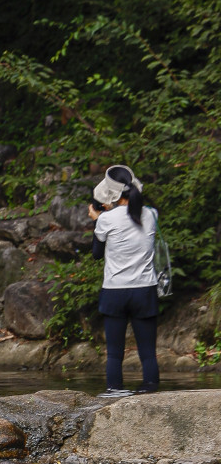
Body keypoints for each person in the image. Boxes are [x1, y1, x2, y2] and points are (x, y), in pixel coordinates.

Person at [89, 164, 161, 397]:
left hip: (115, 291)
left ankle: (115, 390)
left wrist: (97, 219)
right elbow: (135, 216)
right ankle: (150, 388)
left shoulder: (106, 219)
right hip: (145, 289)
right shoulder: (151, 214)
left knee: (114, 352)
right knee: (148, 352)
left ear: (112, 194)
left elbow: (97, 254)